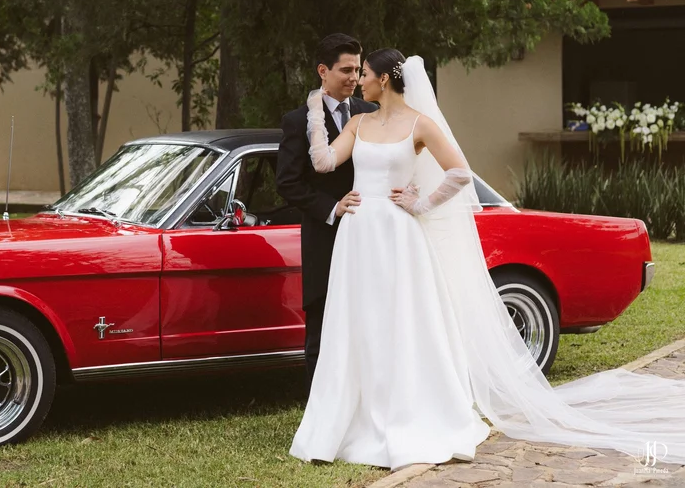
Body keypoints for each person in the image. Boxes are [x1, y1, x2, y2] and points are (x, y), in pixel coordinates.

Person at [290, 48, 685, 470]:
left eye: (365, 74)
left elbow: (459, 172)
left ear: (384, 79)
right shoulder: (358, 122)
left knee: (399, 320)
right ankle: (352, 414)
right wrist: (316, 109)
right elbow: (324, 161)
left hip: (398, 233)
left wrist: (420, 202)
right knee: (359, 321)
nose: (359, 81)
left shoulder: (420, 125)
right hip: (358, 234)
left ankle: (403, 414)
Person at [275, 33, 377, 385]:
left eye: (357, 70)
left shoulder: (372, 114)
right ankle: (321, 410)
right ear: (323, 71)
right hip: (324, 237)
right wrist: (332, 207)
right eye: (345, 70)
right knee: (322, 325)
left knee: (368, 320)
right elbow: (287, 183)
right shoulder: (297, 120)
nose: (354, 77)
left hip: (370, 235)